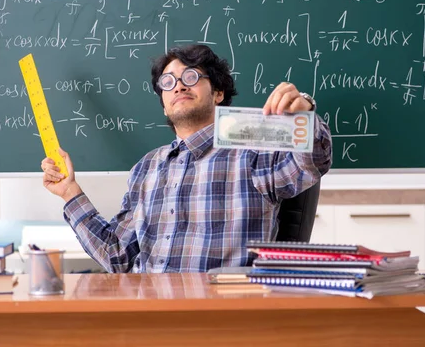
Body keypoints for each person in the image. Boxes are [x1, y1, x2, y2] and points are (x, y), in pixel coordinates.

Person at [41, 44, 332, 273]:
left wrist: (303, 115)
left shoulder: (253, 154)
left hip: (220, 318)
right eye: (168, 82)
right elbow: (117, 257)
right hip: (150, 316)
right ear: (165, 107)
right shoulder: (146, 169)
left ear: (218, 93)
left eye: (190, 77)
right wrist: (69, 193)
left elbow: (313, 161)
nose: (178, 86)